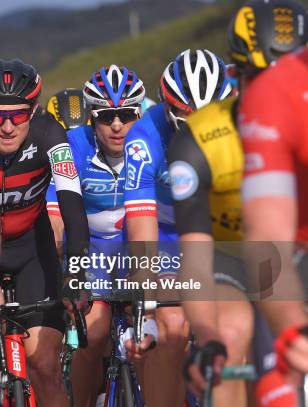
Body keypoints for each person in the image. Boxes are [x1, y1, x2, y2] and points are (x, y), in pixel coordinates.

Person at [168, 2, 307, 405]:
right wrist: (206, 335)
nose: (278, 94)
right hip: (225, 258)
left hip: (293, 254)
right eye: (264, 79)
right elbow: (195, 259)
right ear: (237, 76)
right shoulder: (199, 140)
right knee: (228, 337)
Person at [0, 58, 90, 407]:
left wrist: (76, 271)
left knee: (44, 364)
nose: (8, 127)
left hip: (30, 251)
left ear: (34, 110)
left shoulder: (49, 133)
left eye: (19, 114)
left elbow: (72, 205)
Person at [123, 49, 233, 407]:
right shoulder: (144, 137)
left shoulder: (243, 124)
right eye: (188, 122)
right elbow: (142, 231)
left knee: (236, 330)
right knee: (170, 328)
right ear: (169, 111)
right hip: (165, 235)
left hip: (219, 228)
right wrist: (148, 309)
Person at [45, 65, 147, 407]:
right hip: (92, 251)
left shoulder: (153, 143)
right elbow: (55, 215)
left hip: (140, 246)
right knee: (94, 332)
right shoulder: (73, 146)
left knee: (160, 333)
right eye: (106, 117)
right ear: (91, 117)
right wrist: (63, 260)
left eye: (125, 114)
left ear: (140, 112)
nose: (117, 125)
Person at [239, 39, 308, 406]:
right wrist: (293, 330)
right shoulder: (276, 91)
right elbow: (266, 239)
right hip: (298, 260)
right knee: (278, 391)